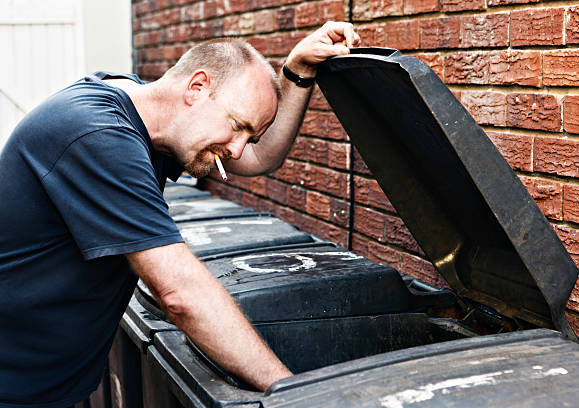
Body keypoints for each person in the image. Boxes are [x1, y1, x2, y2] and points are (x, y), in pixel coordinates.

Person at [0, 22, 360, 407]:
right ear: (197, 88)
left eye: (248, 135)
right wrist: (294, 393)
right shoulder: (97, 134)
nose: (238, 150)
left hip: (47, 383)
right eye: (238, 126)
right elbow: (180, 295)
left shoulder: (142, 109)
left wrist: (297, 72)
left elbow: (260, 156)